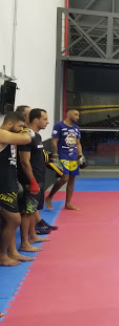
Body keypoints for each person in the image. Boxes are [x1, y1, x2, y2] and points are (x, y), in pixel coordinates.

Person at [17, 108, 52, 254]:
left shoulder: (36, 135)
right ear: (36, 120)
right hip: (30, 180)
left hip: (39, 177)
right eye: (45, 119)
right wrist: (32, 181)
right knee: (27, 211)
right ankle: (24, 243)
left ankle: (32, 235)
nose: (47, 122)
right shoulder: (26, 136)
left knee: (33, 211)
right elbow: (24, 161)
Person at [0, 112, 33, 266]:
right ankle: (2, 255)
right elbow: (26, 138)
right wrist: (27, 129)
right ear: (9, 124)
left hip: (9, 183)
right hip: (2, 186)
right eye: (20, 126)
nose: (21, 129)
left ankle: (12, 252)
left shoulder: (9, 138)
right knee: (14, 220)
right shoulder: (1, 133)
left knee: (9, 220)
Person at [46, 109, 85, 211]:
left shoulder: (76, 128)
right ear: (69, 114)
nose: (78, 117)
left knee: (72, 179)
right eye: (75, 114)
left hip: (74, 157)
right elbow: (54, 141)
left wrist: (80, 155)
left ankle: (68, 203)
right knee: (64, 178)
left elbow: (78, 143)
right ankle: (49, 197)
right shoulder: (59, 126)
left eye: (78, 115)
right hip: (63, 156)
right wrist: (55, 155)